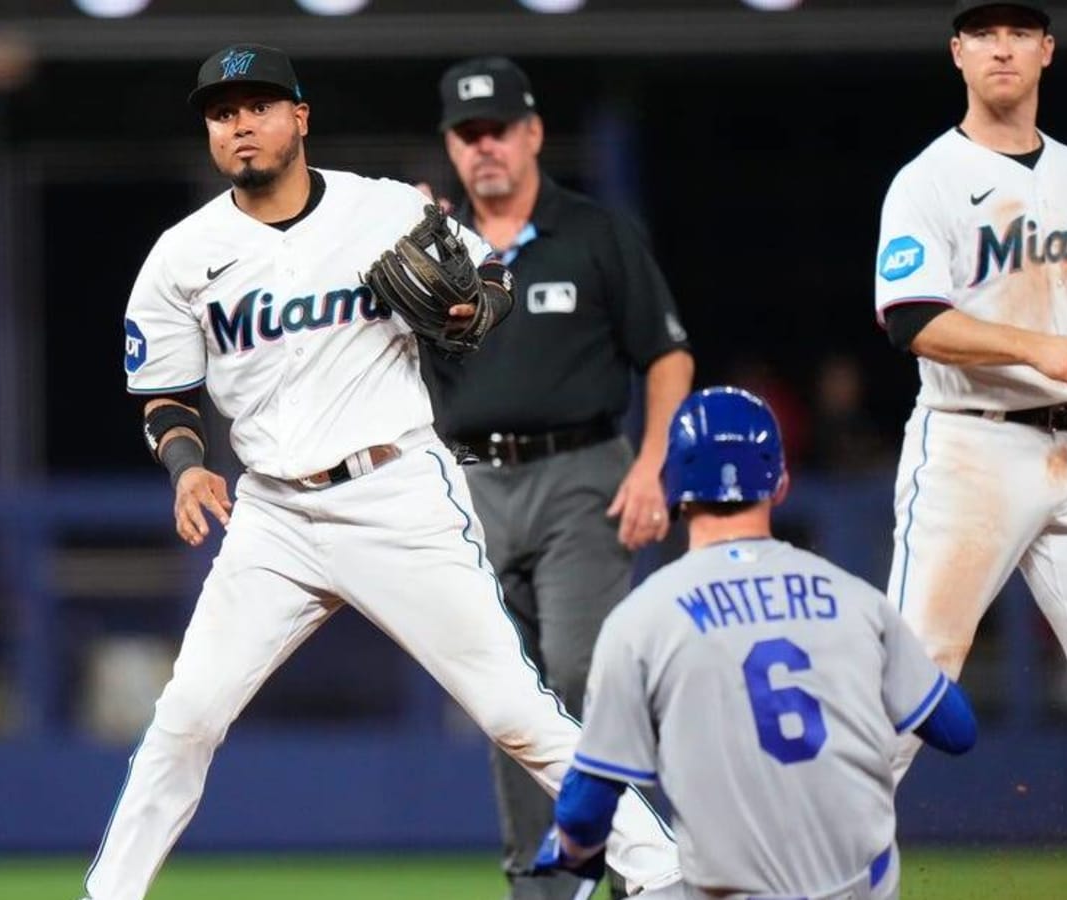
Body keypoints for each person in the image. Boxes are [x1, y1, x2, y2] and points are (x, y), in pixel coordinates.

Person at [81, 43, 681, 900]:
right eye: (222, 113)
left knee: (515, 712)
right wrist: (184, 467)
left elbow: (490, 283)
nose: (240, 124)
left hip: (395, 493)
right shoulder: (183, 255)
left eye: (258, 106)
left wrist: (476, 304)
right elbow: (165, 396)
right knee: (184, 720)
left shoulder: (384, 209)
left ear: (299, 117)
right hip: (275, 519)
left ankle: (665, 875)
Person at [874, 2, 1067, 894]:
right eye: (983, 33)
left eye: (1019, 31)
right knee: (910, 682)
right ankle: (803, 872)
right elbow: (910, 321)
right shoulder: (928, 177)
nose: (1002, 46)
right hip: (971, 451)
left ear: (1046, 50)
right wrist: (1041, 348)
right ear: (958, 53)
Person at [424, 55, 694, 900]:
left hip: (583, 474)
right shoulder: (432, 257)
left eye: (499, 129)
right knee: (506, 696)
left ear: (533, 133)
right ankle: (535, 883)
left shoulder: (594, 233)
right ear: (451, 146)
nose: (485, 148)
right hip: (471, 485)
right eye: (468, 135)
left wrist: (653, 465)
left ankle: (634, 866)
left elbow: (668, 353)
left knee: (581, 672)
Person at [533, 386, 977, 900]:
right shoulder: (856, 600)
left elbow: (587, 808)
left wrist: (569, 848)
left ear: (671, 485)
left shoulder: (642, 619)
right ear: (781, 484)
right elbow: (957, 728)